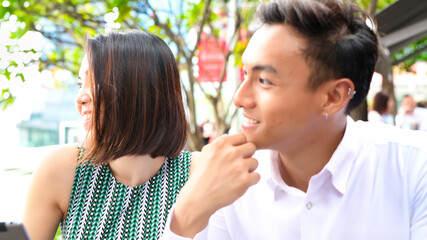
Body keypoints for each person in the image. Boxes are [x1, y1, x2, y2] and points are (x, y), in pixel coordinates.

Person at [161, 0, 427, 239]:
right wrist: (185, 219)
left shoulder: (412, 167)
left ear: (333, 97)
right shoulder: (227, 180)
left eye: (264, 81)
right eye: (245, 75)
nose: (240, 99)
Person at [23, 30, 191, 240]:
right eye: (79, 84)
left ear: (136, 89)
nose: (80, 98)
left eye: (95, 82)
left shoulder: (196, 175)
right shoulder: (65, 169)